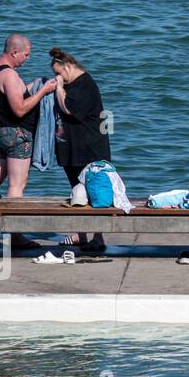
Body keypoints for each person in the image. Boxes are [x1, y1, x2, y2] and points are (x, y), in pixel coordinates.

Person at [0, 35, 58, 247]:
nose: (28, 58)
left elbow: (11, 95)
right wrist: (44, 92)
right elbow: (19, 109)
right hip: (17, 136)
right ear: (14, 52)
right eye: (26, 54)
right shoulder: (9, 75)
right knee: (17, 186)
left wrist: (34, 85)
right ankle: (15, 236)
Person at [50, 48, 111, 253]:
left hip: (89, 149)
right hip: (72, 148)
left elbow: (69, 109)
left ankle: (98, 237)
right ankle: (83, 233)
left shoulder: (84, 85)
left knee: (91, 194)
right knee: (78, 192)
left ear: (68, 67)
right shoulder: (74, 84)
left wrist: (59, 89)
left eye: (58, 73)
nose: (58, 78)